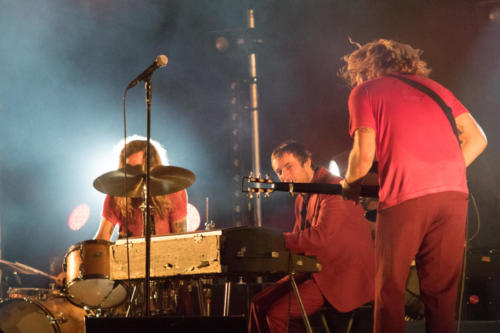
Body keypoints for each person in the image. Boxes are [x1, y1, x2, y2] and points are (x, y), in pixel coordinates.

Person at [339, 39, 487, 333]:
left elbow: (364, 155)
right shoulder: (438, 89)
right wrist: (446, 170)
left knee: (390, 291)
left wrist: (349, 184)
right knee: (441, 296)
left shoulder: (365, 91)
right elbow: (478, 139)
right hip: (454, 196)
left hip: (406, 197)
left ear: (366, 67)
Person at [249, 141, 375, 333]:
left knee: (278, 313)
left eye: (289, 167)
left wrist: (274, 241)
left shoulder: (333, 189)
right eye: (279, 172)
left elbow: (319, 237)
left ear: (307, 162)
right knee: (258, 304)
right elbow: (299, 241)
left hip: (341, 275)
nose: (284, 176)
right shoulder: (301, 198)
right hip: (317, 271)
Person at [95, 137, 188, 240]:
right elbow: (102, 237)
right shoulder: (117, 194)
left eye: (140, 169)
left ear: (153, 167)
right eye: (130, 169)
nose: (136, 174)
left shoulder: (174, 192)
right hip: (128, 255)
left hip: (165, 254)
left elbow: (180, 239)